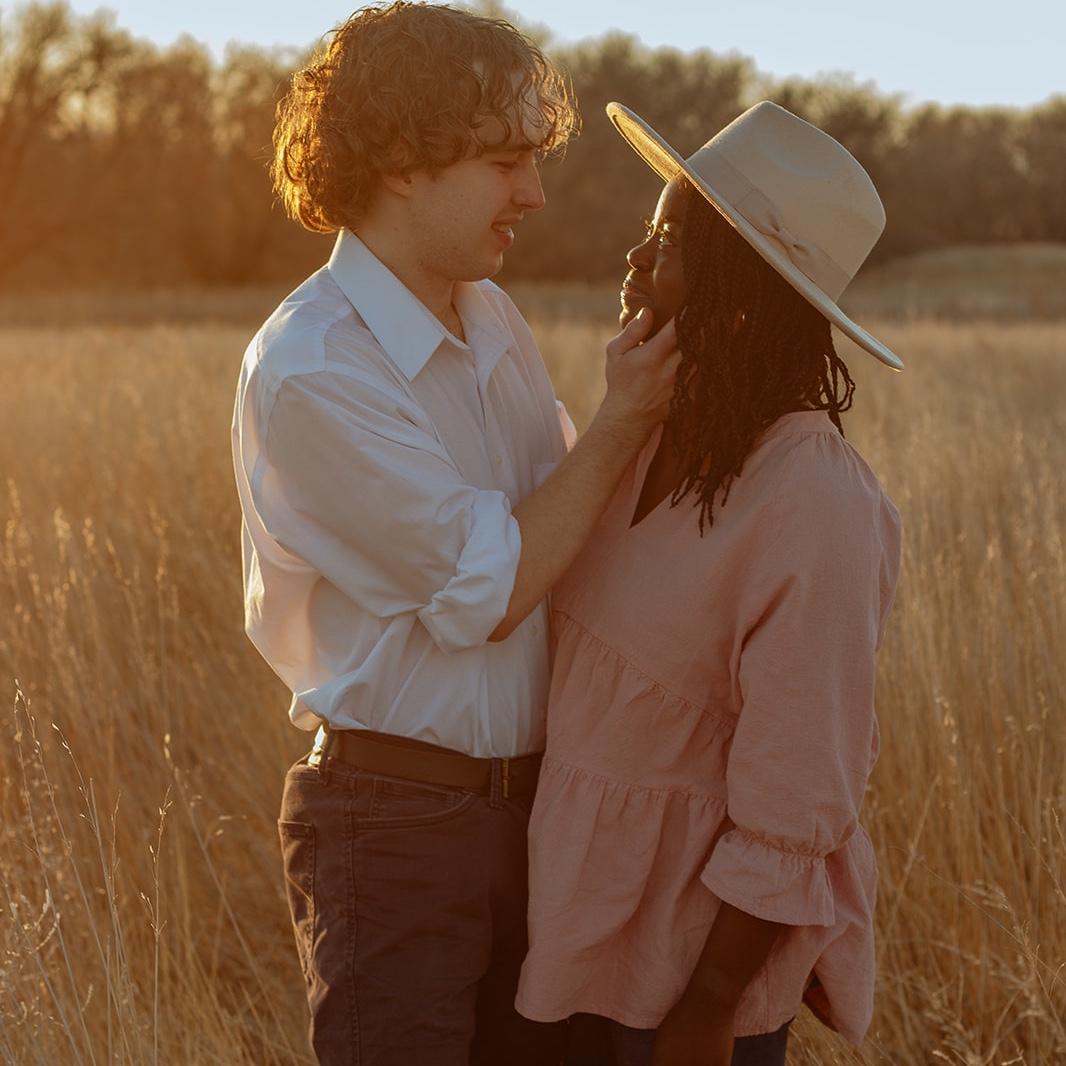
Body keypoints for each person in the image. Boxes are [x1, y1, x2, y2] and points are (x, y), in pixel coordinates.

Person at [230, 5, 681, 1065]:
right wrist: (624, 420)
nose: (533, 192)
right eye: (504, 161)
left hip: (538, 814)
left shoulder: (491, 319)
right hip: (393, 827)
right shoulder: (311, 367)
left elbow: (565, 529)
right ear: (400, 159)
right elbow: (491, 589)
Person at [515, 101, 904, 1066]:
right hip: (568, 938)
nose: (635, 260)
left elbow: (799, 789)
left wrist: (711, 1004)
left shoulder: (813, 497)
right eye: (647, 232)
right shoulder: (640, 440)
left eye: (671, 243)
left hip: (684, 984)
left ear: (741, 292)